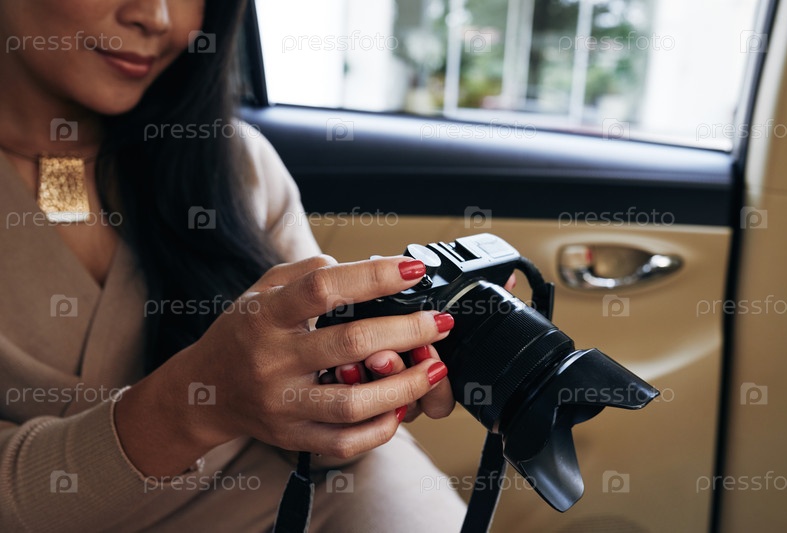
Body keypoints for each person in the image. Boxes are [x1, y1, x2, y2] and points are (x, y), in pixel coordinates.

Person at [0, 0, 483, 530]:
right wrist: (195, 405)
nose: (157, 17)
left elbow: (320, 436)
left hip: (325, 495)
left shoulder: (234, 160)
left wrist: (353, 397)